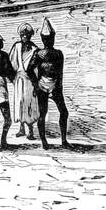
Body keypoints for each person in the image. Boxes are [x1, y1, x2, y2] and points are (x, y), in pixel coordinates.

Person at [28, 18, 70, 149]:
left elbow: (60, 73)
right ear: (43, 39)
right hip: (42, 85)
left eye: (50, 38)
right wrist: (36, 85)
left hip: (54, 85)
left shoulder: (58, 54)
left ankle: (63, 140)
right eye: (47, 38)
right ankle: (44, 142)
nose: (49, 40)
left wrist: (59, 87)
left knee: (64, 112)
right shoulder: (38, 53)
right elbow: (29, 69)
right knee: (43, 114)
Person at [8, 24, 40, 140]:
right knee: (20, 103)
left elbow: (37, 68)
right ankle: (21, 128)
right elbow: (11, 63)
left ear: (31, 35)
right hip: (19, 80)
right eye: (22, 34)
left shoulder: (35, 49)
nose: (25, 36)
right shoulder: (16, 46)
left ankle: (30, 131)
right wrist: (13, 77)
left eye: (27, 34)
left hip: (30, 81)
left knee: (30, 104)